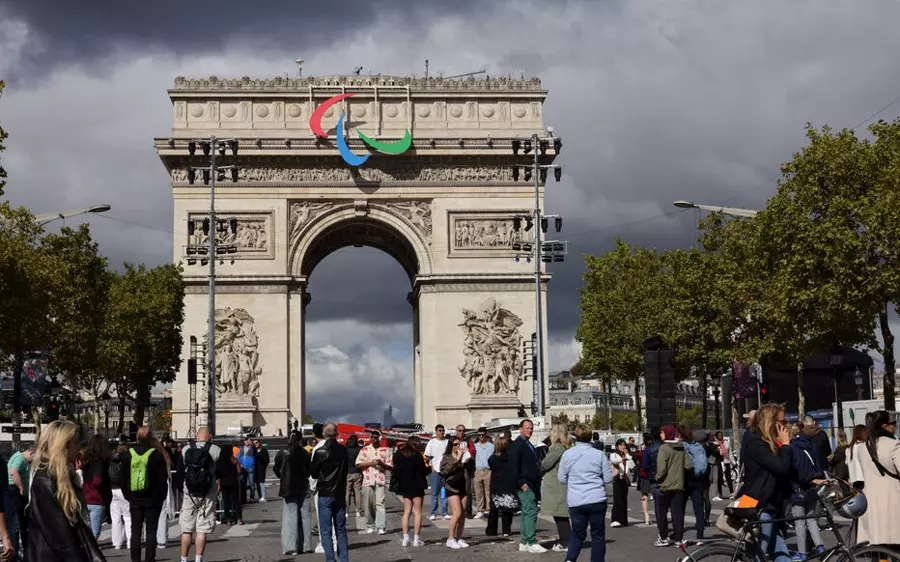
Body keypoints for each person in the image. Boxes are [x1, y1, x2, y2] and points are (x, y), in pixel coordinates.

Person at [26, 420, 104, 561]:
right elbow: (59, 533)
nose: (79, 447)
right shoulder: (45, 479)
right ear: (63, 446)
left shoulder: (62, 475)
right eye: (75, 443)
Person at [742, 403, 793, 562]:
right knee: (757, 555)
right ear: (770, 422)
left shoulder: (770, 443)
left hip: (771, 506)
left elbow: (790, 469)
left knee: (780, 553)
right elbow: (781, 467)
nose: (785, 426)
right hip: (760, 506)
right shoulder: (757, 442)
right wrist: (785, 446)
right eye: (781, 423)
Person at [558, 424, 614, 562]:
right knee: (598, 535)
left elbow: (561, 478)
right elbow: (608, 478)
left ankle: (570, 559)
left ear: (575, 437)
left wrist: (575, 481)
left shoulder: (567, 454)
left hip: (576, 500)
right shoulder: (599, 454)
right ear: (590, 437)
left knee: (577, 534)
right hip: (596, 499)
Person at [856, 410, 900, 547]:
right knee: (894, 544)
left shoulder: (862, 448)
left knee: (876, 545)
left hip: (870, 502)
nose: (895, 426)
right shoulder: (894, 445)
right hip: (892, 500)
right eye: (893, 423)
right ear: (884, 426)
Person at [126, 426, 169, 562]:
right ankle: (150, 558)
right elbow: (163, 479)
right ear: (151, 438)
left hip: (134, 497)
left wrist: (128, 495)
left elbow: (123, 478)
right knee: (151, 531)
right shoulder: (156, 455)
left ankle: (135, 559)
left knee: (135, 531)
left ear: (137, 437)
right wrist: (161, 496)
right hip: (152, 499)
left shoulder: (129, 454)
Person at [178, 426, 221, 562]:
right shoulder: (215, 450)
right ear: (209, 436)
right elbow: (219, 472)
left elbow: (180, 471)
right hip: (207, 493)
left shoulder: (185, 449)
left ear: (197, 436)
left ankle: (184, 559)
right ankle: (198, 559)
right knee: (202, 529)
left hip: (189, 493)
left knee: (187, 529)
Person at [309, 423, 349, 562]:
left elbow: (313, 473)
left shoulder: (320, 451)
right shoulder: (343, 451)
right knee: (341, 530)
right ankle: (344, 559)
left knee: (325, 531)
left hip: (325, 493)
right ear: (337, 434)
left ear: (324, 434)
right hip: (339, 492)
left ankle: (330, 560)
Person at [789, 423, 827, 560]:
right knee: (811, 520)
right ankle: (820, 546)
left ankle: (803, 552)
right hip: (812, 488)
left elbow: (794, 470)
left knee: (800, 523)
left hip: (798, 488)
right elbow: (819, 465)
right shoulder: (811, 445)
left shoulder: (792, 448)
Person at [509, 419, 545, 553]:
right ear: (521, 429)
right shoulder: (518, 444)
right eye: (527, 428)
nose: (530, 430)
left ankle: (524, 541)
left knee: (527, 513)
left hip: (530, 483)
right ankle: (531, 541)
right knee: (530, 512)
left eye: (531, 428)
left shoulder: (526, 443)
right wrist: (521, 483)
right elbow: (513, 467)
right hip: (525, 484)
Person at [654, 424, 692, 548]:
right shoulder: (681, 448)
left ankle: (664, 537)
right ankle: (678, 539)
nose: (660, 435)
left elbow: (661, 470)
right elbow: (688, 465)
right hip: (679, 485)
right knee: (678, 513)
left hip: (665, 485)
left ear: (667, 434)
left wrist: (657, 478)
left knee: (661, 512)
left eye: (662, 433)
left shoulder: (664, 448)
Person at [274, 431, 312, 555]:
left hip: (288, 487)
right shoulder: (305, 453)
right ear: (301, 440)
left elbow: (276, 468)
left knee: (291, 516)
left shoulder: (283, 452)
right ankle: (306, 545)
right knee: (305, 516)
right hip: (303, 485)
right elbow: (308, 471)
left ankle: (291, 546)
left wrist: (282, 476)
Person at [392, 435, 428, 547]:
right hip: (417, 485)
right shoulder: (417, 455)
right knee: (417, 512)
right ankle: (416, 539)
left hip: (405, 485)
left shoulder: (398, 454)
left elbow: (396, 469)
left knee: (406, 512)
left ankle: (405, 538)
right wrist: (430, 468)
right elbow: (424, 470)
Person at [540, 423, 571, 551]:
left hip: (556, 485)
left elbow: (545, 464)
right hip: (560, 484)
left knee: (560, 515)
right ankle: (565, 540)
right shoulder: (565, 447)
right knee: (560, 515)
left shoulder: (557, 447)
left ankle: (565, 542)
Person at [355, 430, 392, 534]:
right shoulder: (365, 449)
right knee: (368, 504)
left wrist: (382, 464)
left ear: (380, 438)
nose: (373, 439)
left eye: (376, 437)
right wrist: (370, 463)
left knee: (380, 503)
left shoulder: (386, 450)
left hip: (380, 480)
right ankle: (370, 524)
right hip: (367, 479)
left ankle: (381, 526)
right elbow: (358, 464)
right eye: (372, 437)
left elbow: (391, 466)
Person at [439, 436, 470, 549]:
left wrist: (467, 457)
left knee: (462, 514)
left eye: (459, 444)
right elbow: (444, 471)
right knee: (456, 513)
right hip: (452, 487)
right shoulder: (447, 457)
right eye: (456, 444)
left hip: (463, 486)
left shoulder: (464, 456)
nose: (458, 446)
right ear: (451, 446)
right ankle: (450, 538)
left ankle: (459, 538)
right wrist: (457, 459)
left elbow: (471, 468)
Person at [680, 427, 709, 543]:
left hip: (686, 479)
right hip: (699, 480)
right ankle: (700, 535)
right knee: (698, 508)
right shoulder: (699, 446)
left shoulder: (682, 447)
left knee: (680, 508)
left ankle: (679, 533)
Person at [485, 435, 517, 537]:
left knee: (494, 509)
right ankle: (506, 530)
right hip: (507, 484)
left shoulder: (492, 458)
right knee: (507, 508)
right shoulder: (510, 458)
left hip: (496, 484)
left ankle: (491, 530)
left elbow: (490, 465)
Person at [81, 435, 112, 541]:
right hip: (97, 499)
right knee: (95, 532)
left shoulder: (86, 462)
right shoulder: (101, 463)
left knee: (87, 529)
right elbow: (97, 481)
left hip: (85, 497)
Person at [5, 445, 32, 556]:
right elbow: (13, 472)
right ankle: (15, 554)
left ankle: (22, 552)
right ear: (31, 453)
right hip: (14, 493)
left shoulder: (19, 457)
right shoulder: (20, 458)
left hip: (15, 493)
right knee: (15, 525)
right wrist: (21, 487)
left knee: (21, 523)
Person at [108, 444, 132, 551]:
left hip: (112, 488)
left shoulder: (110, 459)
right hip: (123, 489)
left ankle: (116, 542)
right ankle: (130, 542)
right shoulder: (127, 459)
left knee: (115, 518)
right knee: (128, 517)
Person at [424, 424, 449, 520]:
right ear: (436, 431)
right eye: (439, 430)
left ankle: (445, 512)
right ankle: (434, 512)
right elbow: (427, 456)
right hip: (435, 471)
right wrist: (431, 467)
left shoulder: (447, 442)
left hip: (445, 471)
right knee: (434, 493)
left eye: (442, 430)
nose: (441, 432)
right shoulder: (432, 442)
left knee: (444, 493)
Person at [609, 438, 634, 529]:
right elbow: (614, 461)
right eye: (621, 445)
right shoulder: (614, 454)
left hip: (625, 479)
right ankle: (615, 519)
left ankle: (623, 520)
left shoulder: (626, 456)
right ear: (617, 446)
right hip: (617, 478)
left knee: (624, 499)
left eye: (624, 445)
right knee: (617, 499)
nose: (623, 447)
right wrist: (622, 458)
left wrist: (627, 455)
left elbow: (632, 465)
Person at [472, 427, 494, 519]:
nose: (481, 437)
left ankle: (488, 509)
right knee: (478, 491)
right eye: (479, 435)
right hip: (478, 470)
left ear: (486, 435)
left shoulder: (491, 446)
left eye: (482, 435)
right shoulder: (475, 446)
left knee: (488, 491)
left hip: (488, 470)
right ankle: (479, 510)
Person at [636, 432, 654, 526]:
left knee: (644, 496)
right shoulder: (655, 449)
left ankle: (646, 516)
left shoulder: (643, 451)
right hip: (654, 474)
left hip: (644, 474)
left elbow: (637, 456)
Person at [344, 435, 363, 517]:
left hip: (347, 473)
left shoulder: (345, 450)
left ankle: (346, 511)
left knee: (346, 493)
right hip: (357, 472)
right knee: (357, 492)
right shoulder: (359, 449)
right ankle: (358, 511)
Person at [713, 431, 733, 501]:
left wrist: (733, 462)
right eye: (719, 435)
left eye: (721, 435)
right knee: (719, 479)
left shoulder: (726, 443)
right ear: (716, 436)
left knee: (729, 478)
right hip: (719, 463)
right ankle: (720, 494)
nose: (720, 436)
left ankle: (731, 493)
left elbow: (730, 453)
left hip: (726, 462)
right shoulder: (715, 444)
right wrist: (717, 450)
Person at [847, 424, 868, 489]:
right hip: (865, 480)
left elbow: (847, 463)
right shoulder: (864, 446)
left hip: (854, 481)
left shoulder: (848, 449)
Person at [237, 438, 257, 503]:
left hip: (251, 467)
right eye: (246, 440)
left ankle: (252, 497)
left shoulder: (253, 448)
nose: (247, 442)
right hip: (243, 467)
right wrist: (240, 464)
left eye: (249, 440)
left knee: (251, 483)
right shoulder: (241, 448)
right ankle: (244, 498)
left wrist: (252, 444)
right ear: (244, 442)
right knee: (243, 483)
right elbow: (238, 457)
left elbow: (255, 451)